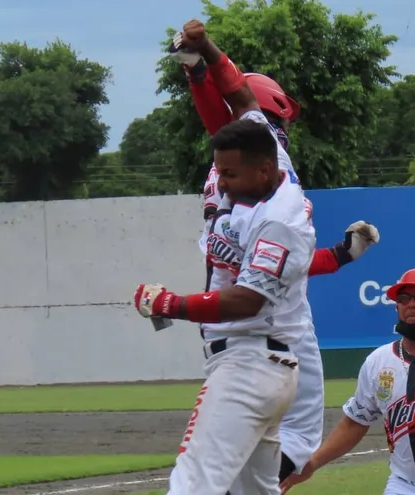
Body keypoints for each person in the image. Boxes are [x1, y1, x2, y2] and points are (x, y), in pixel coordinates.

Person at [170, 19, 381, 484]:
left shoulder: (262, 180)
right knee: (265, 471)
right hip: (251, 335)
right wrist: (197, 66)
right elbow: (225, 113)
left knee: (268, 464)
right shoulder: (244, 166)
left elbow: (286, 269)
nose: (281, 128)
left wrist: (198, 64)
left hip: (257, 334)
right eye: (278, 119)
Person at [134, 119, 316, 494]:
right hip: (264, 365)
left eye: (230, 173)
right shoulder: (262, 182)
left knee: (192, 483)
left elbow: (247, 300)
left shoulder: (278, 219)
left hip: (248, 366)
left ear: (264, 168)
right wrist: (202, 64)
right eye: (220, 172)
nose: (223, 182)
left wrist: (171, 304)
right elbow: (244, 100)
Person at [280, 268, 415, 495]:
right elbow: (355, 422)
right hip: (404, 486)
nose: (411, 305)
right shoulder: (378, 361)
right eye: (404, 299)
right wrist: (312, 463)